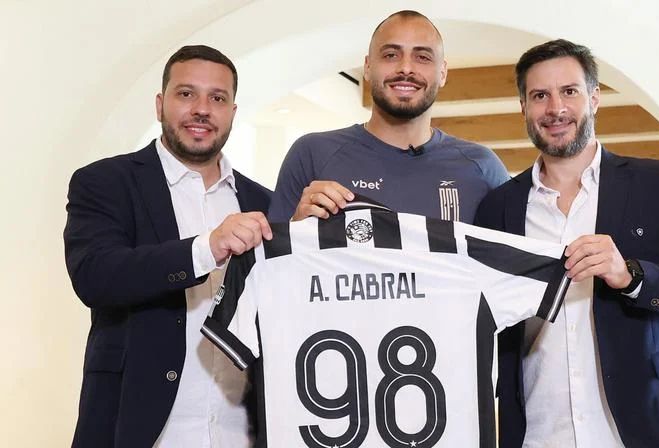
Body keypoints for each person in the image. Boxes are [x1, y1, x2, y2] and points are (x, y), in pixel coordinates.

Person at [474, 39, 659, 448]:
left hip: (646, 430)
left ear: (594, 98)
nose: (556, 108)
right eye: (540, 95)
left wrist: (630, 275)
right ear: (523, 108)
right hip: (540, 433)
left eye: (569, 91)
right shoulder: (497, 207)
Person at [64, 45, 273, 448]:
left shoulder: (263, 202)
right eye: (186, 94)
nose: (202, 109)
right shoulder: (105, 182)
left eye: (217, 98)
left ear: (232, 111)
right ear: (160, 104)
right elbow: (95, 275)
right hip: (140, 429)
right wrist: (205, 249)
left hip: (242, 433)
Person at [268, 10, 509, 224]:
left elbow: (512, 264)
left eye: (422, 57)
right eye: (391, 55)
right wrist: (296, 227)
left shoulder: (482, 168)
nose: (405, 68)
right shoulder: (312, 154)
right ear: (368, 67)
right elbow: (271, 263)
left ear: (443, 72)